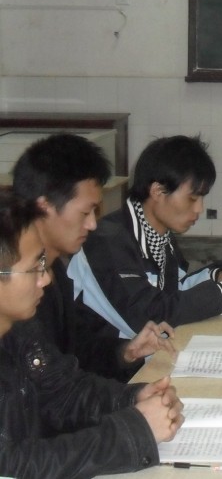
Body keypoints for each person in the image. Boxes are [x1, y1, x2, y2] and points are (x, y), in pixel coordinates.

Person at [0, 190, 184, 478]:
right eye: (34, 268)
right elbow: (12, 465)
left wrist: (132, 398)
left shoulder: (18, 327)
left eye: (43, 264)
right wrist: (136, 431)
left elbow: (64, 392)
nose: (45, 278)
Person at [69, 135, 222, 342]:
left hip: (147, 353)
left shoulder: (161, 235)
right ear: (158, 191)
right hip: (107, 359)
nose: (199, 209)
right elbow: (147, 317)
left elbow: (174, 291)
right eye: (192, 199)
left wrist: (218, 277)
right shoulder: (108, 241)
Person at [12, 133, 175, 380]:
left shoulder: (56, 272)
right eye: (85, 212)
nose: (92, 224)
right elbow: (49, 389)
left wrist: (126, 352)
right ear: (45, 207)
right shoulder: (15, 287)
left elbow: (78, 351)